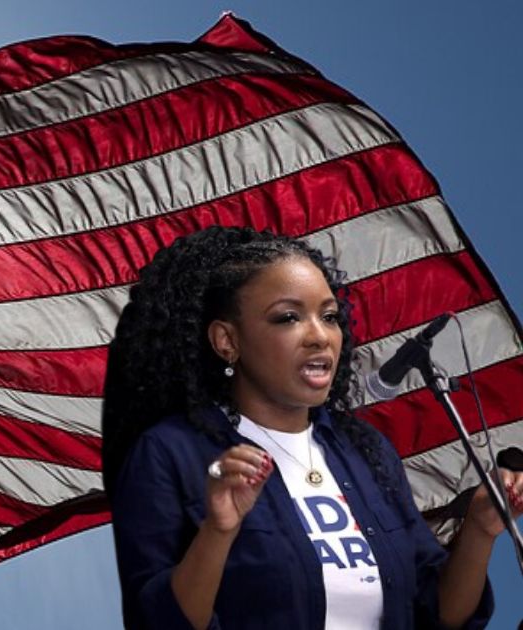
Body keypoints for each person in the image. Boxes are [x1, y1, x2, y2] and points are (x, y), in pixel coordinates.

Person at [101, 227, 521, 630]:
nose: (320, 336)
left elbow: (440, 613)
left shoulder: (362, 450)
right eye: (288, 318)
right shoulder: (170, 452)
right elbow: (156, 621)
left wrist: (480, 531)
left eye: (330, 316)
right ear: (227, 341)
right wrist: (218, 531)